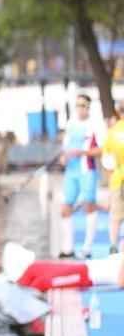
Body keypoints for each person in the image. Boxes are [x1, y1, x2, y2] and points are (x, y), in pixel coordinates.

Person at [59, 94, 104, 258]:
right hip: (71, 172)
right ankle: (67, 248)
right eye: (78, 105)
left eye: (83, 105)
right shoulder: (70, 124)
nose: (80, 108)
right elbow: (65, 148)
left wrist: (83, 152)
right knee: (65, 208)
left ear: (89, 107)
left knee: (89, 206)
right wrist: (63, 158)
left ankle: (87, 248)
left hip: (87, 170)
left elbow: (100, 150)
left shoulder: (95, 125)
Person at [103, 100, 124, 255]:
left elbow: (107, 162)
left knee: (116, 215)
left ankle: (113, 246)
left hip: (118, 178)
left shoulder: (112, 132)